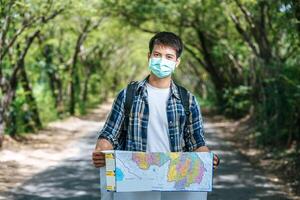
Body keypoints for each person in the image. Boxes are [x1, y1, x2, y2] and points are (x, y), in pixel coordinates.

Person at [92, 31, 219, 200]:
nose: (162, 61)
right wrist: (101, 151)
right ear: (149, 56)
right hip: (135, 178)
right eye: (157, 55)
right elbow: (109, 133)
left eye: (168, 57)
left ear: (177, 62)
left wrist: (208, 159)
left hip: (174, 179)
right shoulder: (128, 94)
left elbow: (197, 141)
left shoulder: (187, 100)